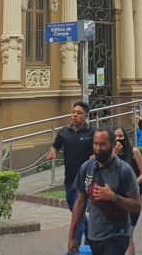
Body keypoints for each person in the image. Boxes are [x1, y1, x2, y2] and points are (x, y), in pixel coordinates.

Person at [67, 126, 141, 255]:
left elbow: (137, 206)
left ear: (112, 145)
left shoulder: (124, 170)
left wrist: (113, 197)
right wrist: (71, 236)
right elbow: (80, 203)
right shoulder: (86, 168)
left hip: (117, 236)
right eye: (95, 144)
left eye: (102, 144)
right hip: (94, 236)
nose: (98, 148)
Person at [46, 101, 95, 249]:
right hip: (69, 181)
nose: (75, 115)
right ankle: (91, 236)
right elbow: (55, 145)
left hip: (84, 182)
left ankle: (74, 249)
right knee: (75, 212)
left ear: (86, 116)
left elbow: (98, 150)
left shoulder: (92, 133)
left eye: (79, 113)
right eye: (73, 112)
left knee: (77, 215)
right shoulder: (64, 132)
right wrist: (53, 151)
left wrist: (95, 157)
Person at [113, 126, 142, 255]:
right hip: (117, 199)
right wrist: (114, 154)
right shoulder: (111, 155)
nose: (118, 139)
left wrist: (132, 184)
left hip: (133, 197)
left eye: (120, 136)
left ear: (125, 138)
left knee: (128, 234)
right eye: (115, 136)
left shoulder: (134, 151)